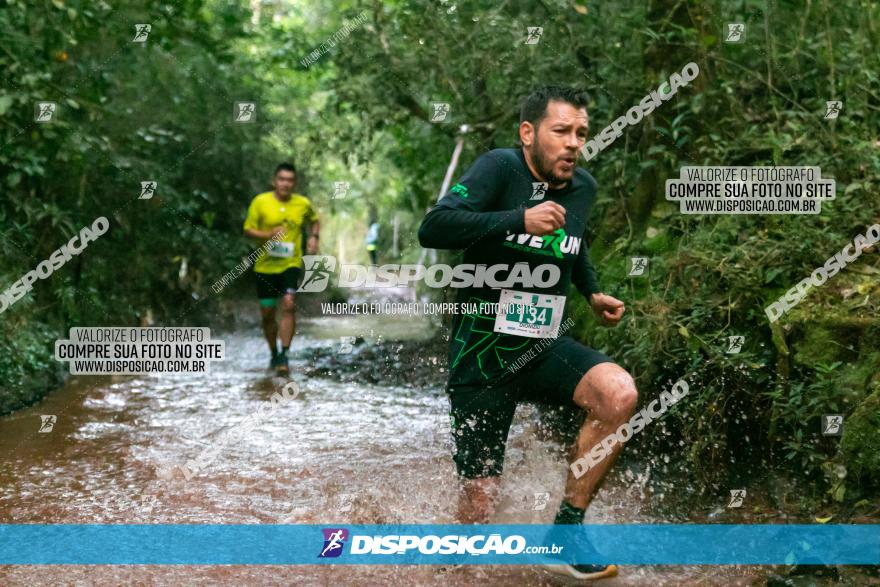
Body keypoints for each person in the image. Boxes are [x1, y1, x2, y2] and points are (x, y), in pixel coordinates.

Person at [417, 86, 637, 581]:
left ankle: (565, 534)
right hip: (483, 353)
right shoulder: (498, 168)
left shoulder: (583, 187)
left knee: (617, 394)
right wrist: (519, 219)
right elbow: (434, 227)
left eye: (581, 133)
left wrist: (591, 291)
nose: (573, 143)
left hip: (541, 345)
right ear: (528, 133)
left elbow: (572, 243)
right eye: (561, 131)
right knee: (478, 506)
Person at [243, 162, 320, 374]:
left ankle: (284, 355)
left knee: (288, 304)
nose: (286, 184)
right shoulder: (260, 202)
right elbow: (248, 230)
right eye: (282, 179)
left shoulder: (302, 203)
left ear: (294, 183)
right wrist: (267, 235)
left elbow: (315, 220)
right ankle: (274, 352)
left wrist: (314, 237)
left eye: (290, 180)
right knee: (267, 313)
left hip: (290, 263)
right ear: (274, 181)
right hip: (265, 266)